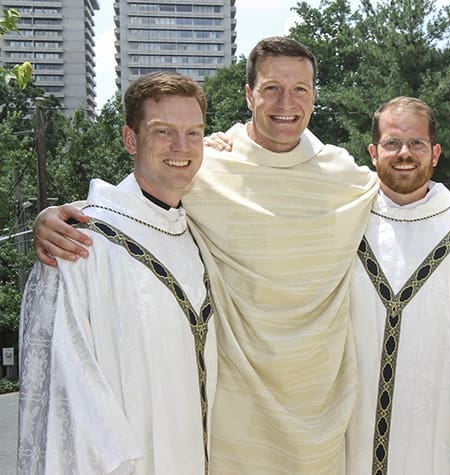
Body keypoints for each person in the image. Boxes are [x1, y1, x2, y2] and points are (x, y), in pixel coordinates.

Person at [32, 37, 380, 473]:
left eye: (300, 90)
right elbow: (141, 198)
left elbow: (407, 196)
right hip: (231, 410)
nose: (285, 103)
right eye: (271, 88)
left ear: (315, 95)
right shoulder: (208, 167)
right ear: (249, 93)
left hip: (321, 406)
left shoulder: (347, 178)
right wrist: (54, 217)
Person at [17, 72, 217, 474]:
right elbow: (63, 390)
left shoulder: (199, 232)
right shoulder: (81, 243)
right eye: (163, 132)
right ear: (130, 139)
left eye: (193, 133)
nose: (182, 147)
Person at [344, 97, 450, 474]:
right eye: (392, 143)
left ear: (436, 153)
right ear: (373, 151)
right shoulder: (344, 219)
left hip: (440, 429)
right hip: (352, 429)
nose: (404, 154)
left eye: (417, 143)